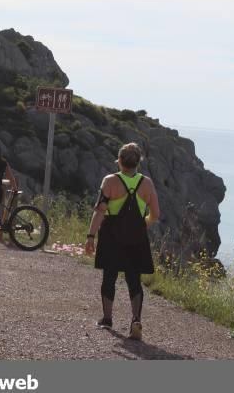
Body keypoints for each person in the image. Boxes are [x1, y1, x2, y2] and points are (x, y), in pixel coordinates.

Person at [84, 142, 160, 341]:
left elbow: (100, 211)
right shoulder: (147, 183)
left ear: (119, 160)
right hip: (137, 236)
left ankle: (107, 318)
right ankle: (135, 319)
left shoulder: (110, 181)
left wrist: (90, 236)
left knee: (109, 276)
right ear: (138, 162)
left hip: (111, 234)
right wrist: (142, 225)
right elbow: (155, 214)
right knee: (133, 279)